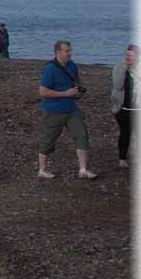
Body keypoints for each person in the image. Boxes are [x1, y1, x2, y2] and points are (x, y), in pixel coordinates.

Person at [37, 40, 97, 179]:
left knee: (81, 134)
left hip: (71, 109)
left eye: (70, 50)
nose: (70, 53)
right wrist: (66, 94)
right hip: (53, 111)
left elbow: (77, 81)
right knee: (49, 139)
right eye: (67, 51)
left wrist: (78, 92)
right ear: (58, 52)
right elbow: (43, 91)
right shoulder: (50, 69)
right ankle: (42, 170)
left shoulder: (71, 65)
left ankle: (83, 170)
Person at [110, 44, 140, 168]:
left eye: (131, 55)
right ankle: (122, 159)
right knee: (125, 134)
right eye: (126, 54)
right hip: (123, 108)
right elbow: (117, 85)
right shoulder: (119, 67)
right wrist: (125, 68)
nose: (128, 57)